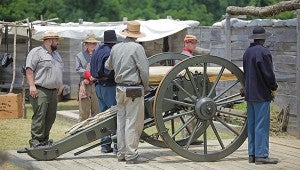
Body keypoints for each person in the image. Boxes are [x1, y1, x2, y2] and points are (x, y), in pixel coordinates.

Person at [105, 21, 150, 164]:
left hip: (119, 89)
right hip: (134, 89)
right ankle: (131, 155)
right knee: (133, 122)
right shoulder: (137, 48)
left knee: (121, 121)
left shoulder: (116, 47)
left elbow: (108, 65)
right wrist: (147, 86)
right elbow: (144, 71)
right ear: (136, 35)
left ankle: (121, 153)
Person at [243, 26, 278, 165]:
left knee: (251, 124)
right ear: (263, 38)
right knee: (261, 125)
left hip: (250, 94)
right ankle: (262, 155)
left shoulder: (247, 52)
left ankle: (252, 154)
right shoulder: (264, 52)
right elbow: (268, 74)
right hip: (261, 94)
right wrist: (273, 87)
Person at [25, 31, 64, 148]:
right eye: (56, 40)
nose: (58, 43)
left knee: (51, 116)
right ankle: (35, 141)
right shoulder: (36, 52)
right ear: (49, 40)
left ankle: (44, 140)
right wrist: (32, 86)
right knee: (40, 115)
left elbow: (59, 70)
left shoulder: (56, 54)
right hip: (40, 89)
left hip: (53, 91)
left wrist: (60, 84)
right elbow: (29, 70)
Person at [90, 30, 118, 153]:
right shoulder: (109, 52)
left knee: (103, 116)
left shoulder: (97, 51)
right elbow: (109, 71)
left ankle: (105, 145)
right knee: (114, 116)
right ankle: (117, 146)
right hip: (109, 86)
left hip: (98, 86)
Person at [75, 33, 100, 122]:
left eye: (94, 43)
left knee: (97, 112)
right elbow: (78, 69)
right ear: (85, 44)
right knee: (83, 112)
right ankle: (79, 133)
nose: (92, 45)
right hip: (84, 85)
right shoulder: (79, 56)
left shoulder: (99, 55)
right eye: (90, 43)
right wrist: (88, 76)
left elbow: (101, 68)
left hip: (96, 85)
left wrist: (95, 76)